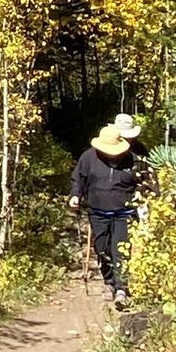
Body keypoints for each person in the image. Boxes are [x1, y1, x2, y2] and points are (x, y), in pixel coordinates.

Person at [70, 113, 150, 298]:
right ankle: (108, 282)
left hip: (125, 211)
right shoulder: (88, 157)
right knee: (102, 248)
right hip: (97, 211)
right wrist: (75, 195)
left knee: (120, 248)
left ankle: (121, 287)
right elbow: (78, 179)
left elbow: (146, 181)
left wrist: (144, 199)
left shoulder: (134, 157)